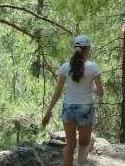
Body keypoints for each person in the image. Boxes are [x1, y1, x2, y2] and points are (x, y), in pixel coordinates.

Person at [42, 35, 104, 166]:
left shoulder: (65, 67)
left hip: (68, 107)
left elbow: (58, 92)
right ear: (86, 49)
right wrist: (90, 87)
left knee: (70, 145)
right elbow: (100, 92)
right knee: (84, 144)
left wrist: (48, 113)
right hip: (86, 108)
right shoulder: (94, 67)